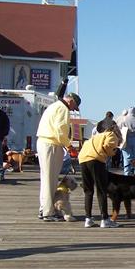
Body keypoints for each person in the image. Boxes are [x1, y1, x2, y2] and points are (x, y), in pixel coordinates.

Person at [36, 78, 81, 222]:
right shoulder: (63, 109)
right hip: (51, 144)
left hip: (45, 143)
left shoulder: (55, 106)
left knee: (46, 179)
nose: (73, 110)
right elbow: (60, 130)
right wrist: (69, 146)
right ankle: (48, 212)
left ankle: (45, 208)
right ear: (71, 101)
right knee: (51, 180)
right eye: (74, 107)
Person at [79, 123, 122, 228]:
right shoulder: (111, 134)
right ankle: (105, 219)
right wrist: (112, 152)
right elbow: (108, 145)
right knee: (101, 190)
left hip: (83, 159)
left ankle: (88, 219)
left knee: (88, 191)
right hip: (96, 160)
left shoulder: (96, 136)